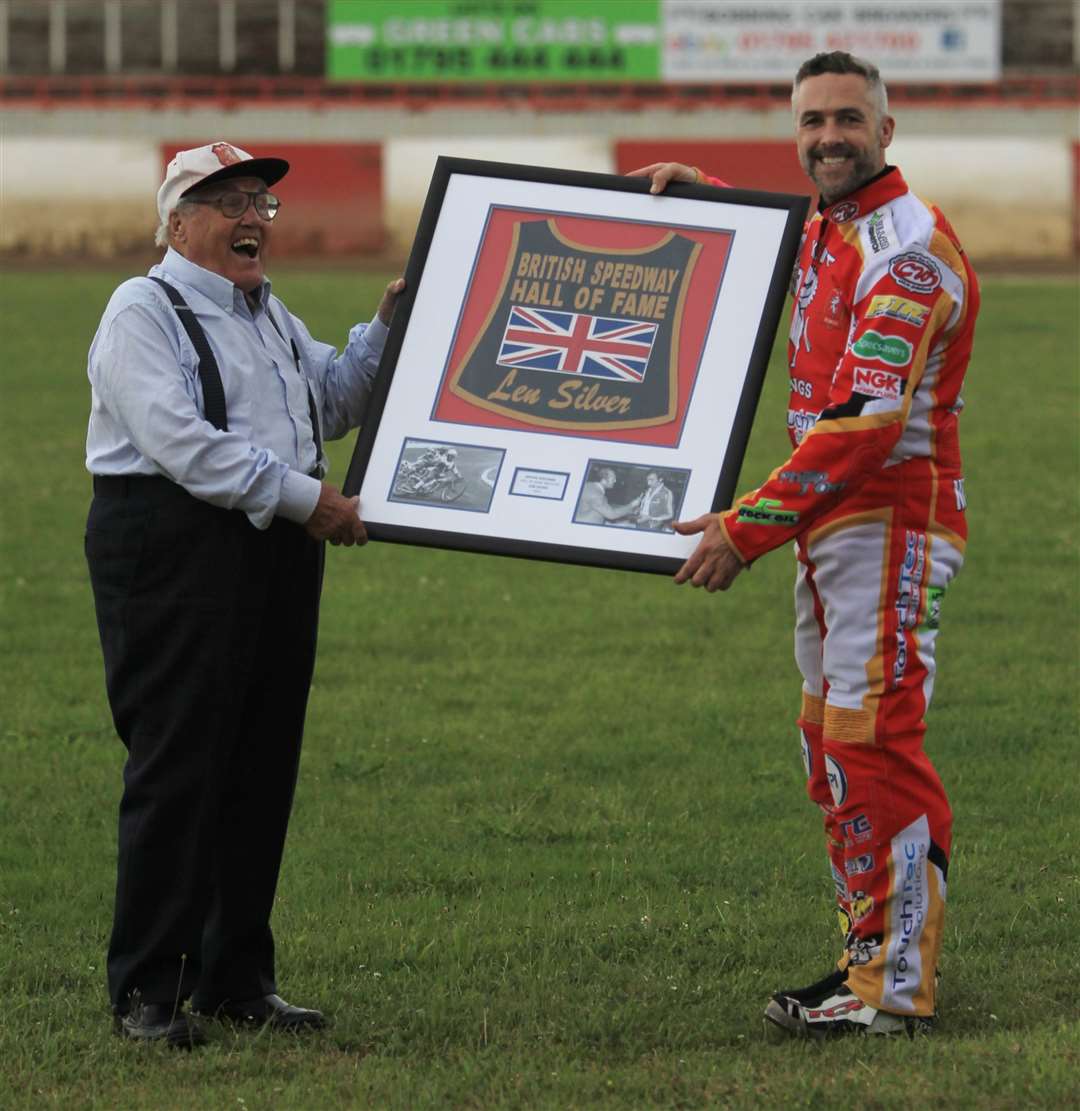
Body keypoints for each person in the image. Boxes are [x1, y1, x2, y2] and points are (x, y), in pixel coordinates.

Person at [633, 51, 979, 1038]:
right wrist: (708, 198)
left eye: (847, 119)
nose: (829, 135)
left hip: (891, 521)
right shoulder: (831, 227)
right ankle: (863, 961)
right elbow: (782, 252)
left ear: (886, 129)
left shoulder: (908, 248)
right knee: (829, 750)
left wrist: (745, 528)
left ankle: (892, 990)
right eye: (812, 121)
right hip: (832, 531)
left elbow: (870, 423)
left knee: (872, 747)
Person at [84, 141, 404, 1047]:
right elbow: (183, 445)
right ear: (176, 222)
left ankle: (236, 979)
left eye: (259, 201)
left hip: (274, 545)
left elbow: (330, 403)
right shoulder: (141, 311)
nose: (252, 218)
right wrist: (312, 501)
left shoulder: (267, 310)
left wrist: (387, 325)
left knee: (260, 766)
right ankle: (148, 989)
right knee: (178, 767)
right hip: (174, 547)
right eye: (227, 201)